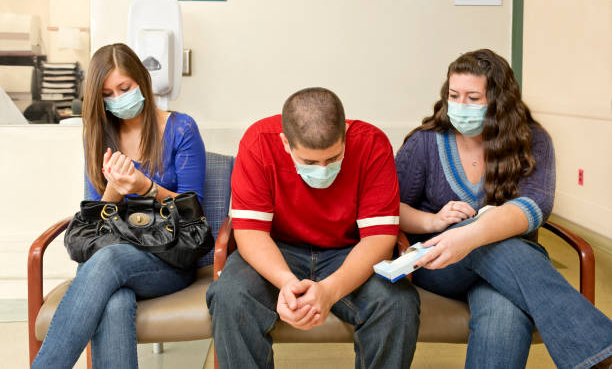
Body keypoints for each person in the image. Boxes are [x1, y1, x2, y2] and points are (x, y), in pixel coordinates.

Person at [395, 48, 612, 369]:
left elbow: (534, 207)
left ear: (499, 100)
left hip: (508, 270)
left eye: (473, 98)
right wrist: (433, 221)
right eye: (454, 96)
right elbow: (387, 205)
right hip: (438, 262)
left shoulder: (531, 140)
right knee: (493, 245)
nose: (460, 106)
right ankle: (602, 353)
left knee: (503, 311)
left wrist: (469, 237)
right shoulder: (426, 143)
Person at [206, 87, 420, 368]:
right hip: (277, 248)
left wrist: (329, 291)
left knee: (398, 304)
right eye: (309, 162)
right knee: (230, 295)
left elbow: (379, 237)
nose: (322, 169)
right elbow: (251, 233)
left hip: (349, 250)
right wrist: (287, 283)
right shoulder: (258, 142)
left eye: (333, 159)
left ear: (345, 135)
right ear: (285, 143)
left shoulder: (371, 143)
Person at [32, 43, 207, 368]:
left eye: (124, 88)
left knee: (107, 259)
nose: (118, 99)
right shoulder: (101, 137)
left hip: (169, 258)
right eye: (108, 94)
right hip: (112, 258)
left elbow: (193, 209)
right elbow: (92, 224)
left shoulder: (181, 129)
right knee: (114, 301)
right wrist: (112, 188)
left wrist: (147, 188)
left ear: (142, 80)